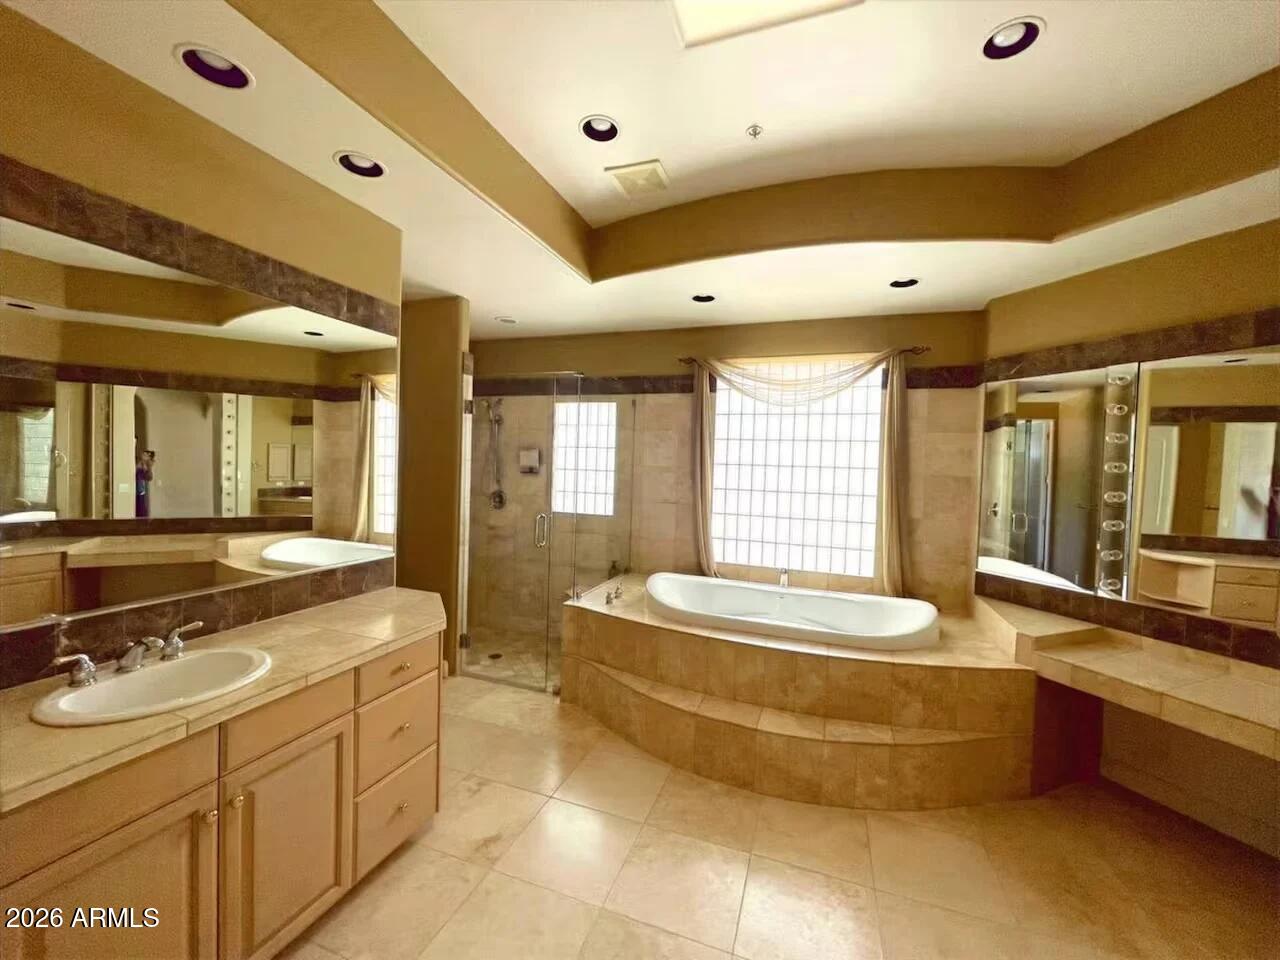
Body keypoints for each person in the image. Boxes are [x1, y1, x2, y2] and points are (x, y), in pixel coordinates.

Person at [136, 449, 155, 518]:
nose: (143, 455)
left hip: (140, 490)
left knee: (141, 507)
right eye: (143, 454)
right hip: (135, 488)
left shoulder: (146, 466)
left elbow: (150, 478)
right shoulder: (138, 463)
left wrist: (148, 467)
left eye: (145, 455)